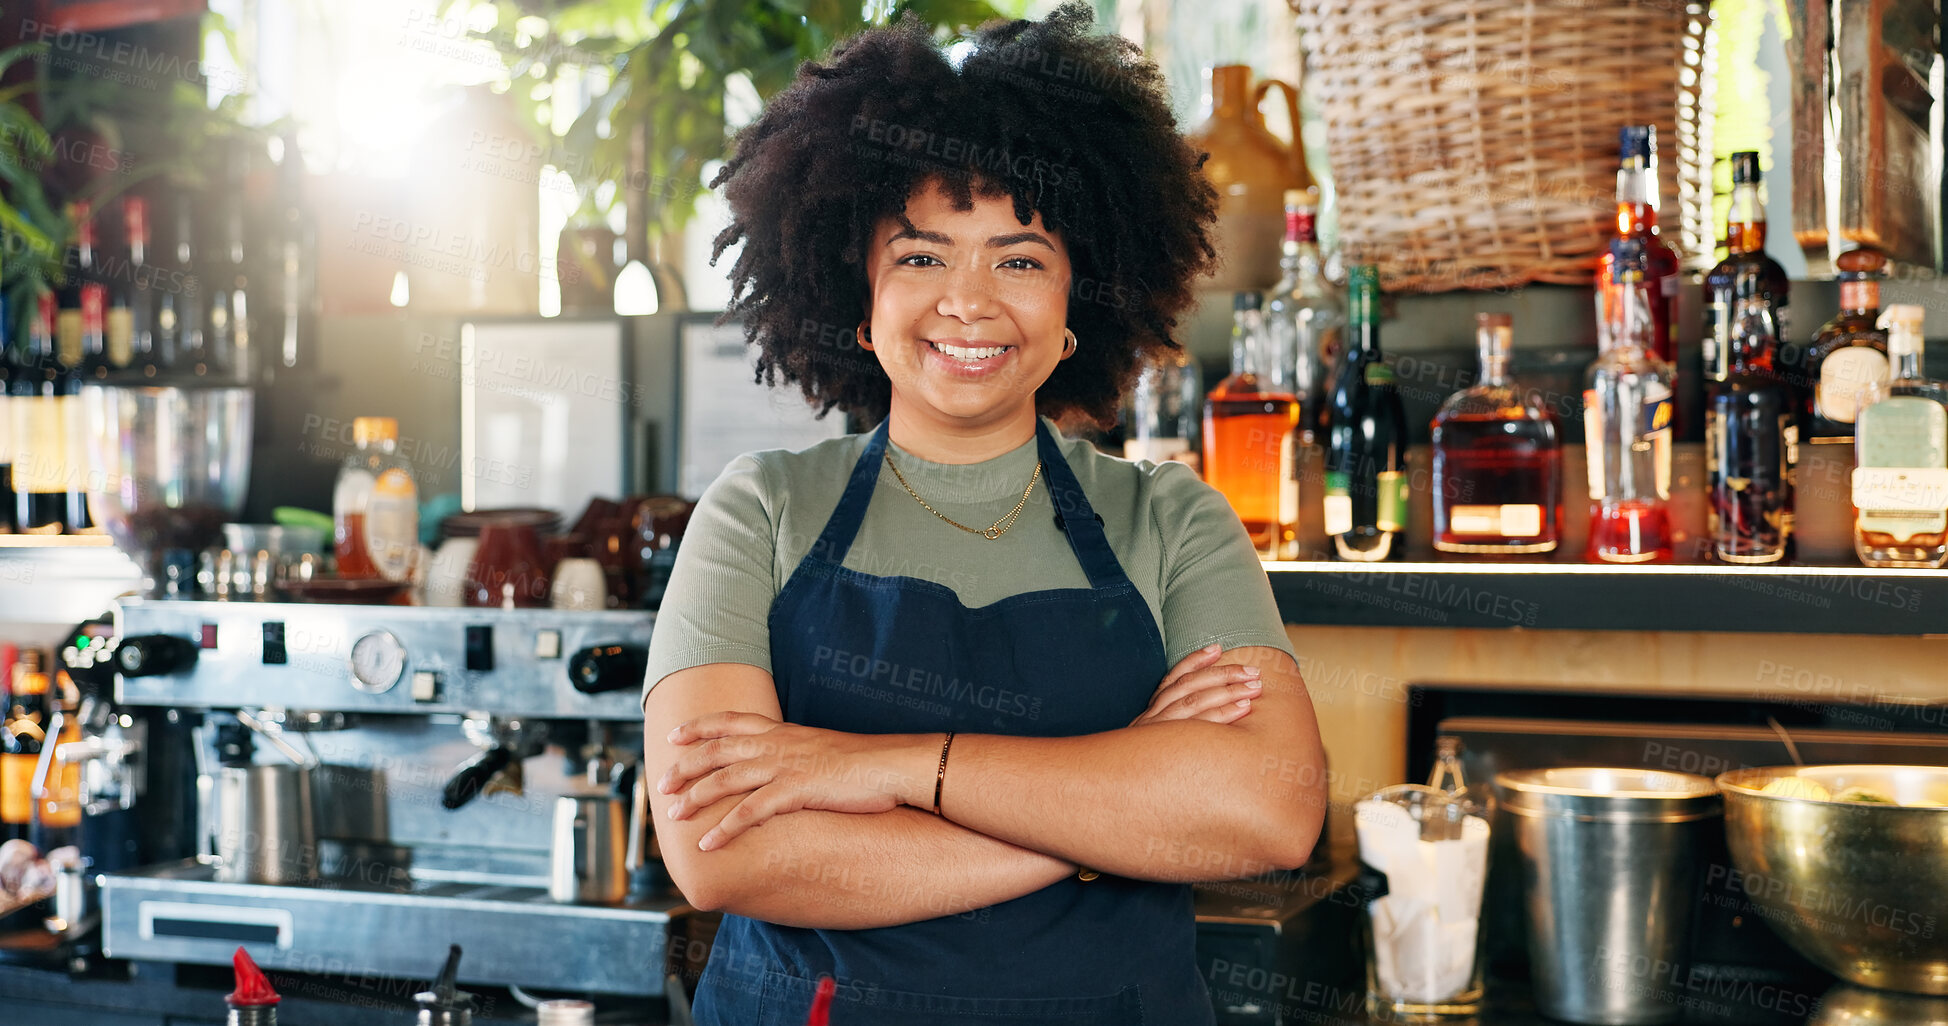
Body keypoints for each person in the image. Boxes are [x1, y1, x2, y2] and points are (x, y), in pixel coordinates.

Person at [640, 5, 1327, 1023]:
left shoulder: (1173, 520)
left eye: (1019, 259)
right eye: (920, 257)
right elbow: (723, 851)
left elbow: (1266, 814)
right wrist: (1107, 824)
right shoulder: (762, 509)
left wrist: (882, 769)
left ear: (1073, 312)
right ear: (858, 300)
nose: (969, 301)